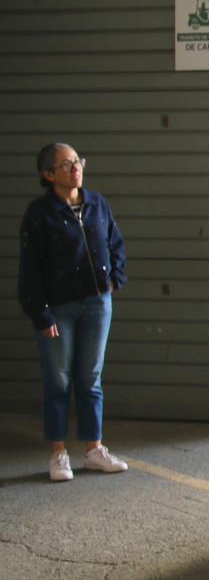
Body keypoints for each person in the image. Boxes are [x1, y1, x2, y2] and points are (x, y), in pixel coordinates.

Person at [20, 143, 129, 482]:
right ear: (48, 174)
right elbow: (30, 268)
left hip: (97, 304)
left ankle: (94, 449)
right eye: (66, 165)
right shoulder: (40, 213)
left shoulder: (97, 203)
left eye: (77, 161)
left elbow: (115, 242)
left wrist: (115, 278)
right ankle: (58, 453)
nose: (76, 168)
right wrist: (41, 313)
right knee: (59, 379)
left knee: (91, 378)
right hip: (59, 308)